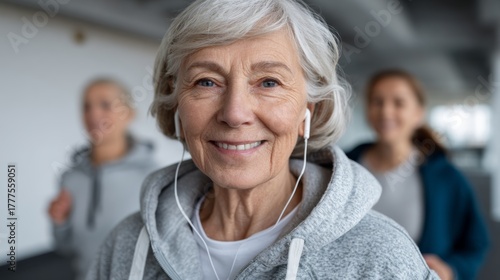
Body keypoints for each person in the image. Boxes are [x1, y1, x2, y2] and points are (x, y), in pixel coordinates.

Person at [87, 1, 439, 279]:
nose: (235, 112)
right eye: (207, 82)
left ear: (309, 112)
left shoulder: (379, 256)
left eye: (269, 82)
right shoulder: (127, 244)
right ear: (175, 103)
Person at [346, 69, 490, 280]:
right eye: (377, 101)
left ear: (418, 113)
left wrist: (452, 270)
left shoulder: (447, 178)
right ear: (368, 110)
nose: (386, 111)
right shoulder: (343, 169)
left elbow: (476, 243)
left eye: (399, 103)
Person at [48, 78, 158, 280]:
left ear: (129, 114)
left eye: (105, 105)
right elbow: (64, 248)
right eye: (86, 106)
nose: (94, 114)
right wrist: (59, 222)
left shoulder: (153, 178)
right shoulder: (70, 178)